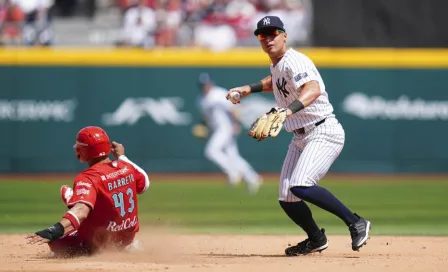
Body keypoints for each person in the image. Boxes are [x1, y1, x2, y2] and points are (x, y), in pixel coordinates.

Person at [226, 16, 371, 256]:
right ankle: (316, 239)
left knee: (300, 185)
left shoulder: (296, 60)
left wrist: (287, 110)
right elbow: (277, 81)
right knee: (287, 197)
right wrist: (248, 88)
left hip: (322, 130)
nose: (268, 39)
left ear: (284, 36)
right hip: (300, 137)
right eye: (263, 35)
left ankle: (356, 222)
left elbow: (313, 88)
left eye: (273, 33)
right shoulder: (278, 64)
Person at [26, 126, 150, 256]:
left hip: (97, 244)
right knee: (97, 203)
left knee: (57, 241)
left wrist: (54, 231)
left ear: (83, 150)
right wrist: (122, 157)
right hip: (126, 239)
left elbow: (81, 212)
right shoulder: (126, 166)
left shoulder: (88, 177)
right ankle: (127, 246)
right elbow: (144, 184)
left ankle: (74, 200)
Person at [194, 72, 262, 195]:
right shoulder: (201, 100)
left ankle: (233, 173)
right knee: (233, 156)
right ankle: (253, 178)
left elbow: (233, 107)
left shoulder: (218, 93)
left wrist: (235, 123)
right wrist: (202, 128)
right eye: (203, 85)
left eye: (206, 84)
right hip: (216, 130)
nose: (205, 86)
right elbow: (205, 119)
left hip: (226, 128)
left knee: (211, 151)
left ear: (210, 83)